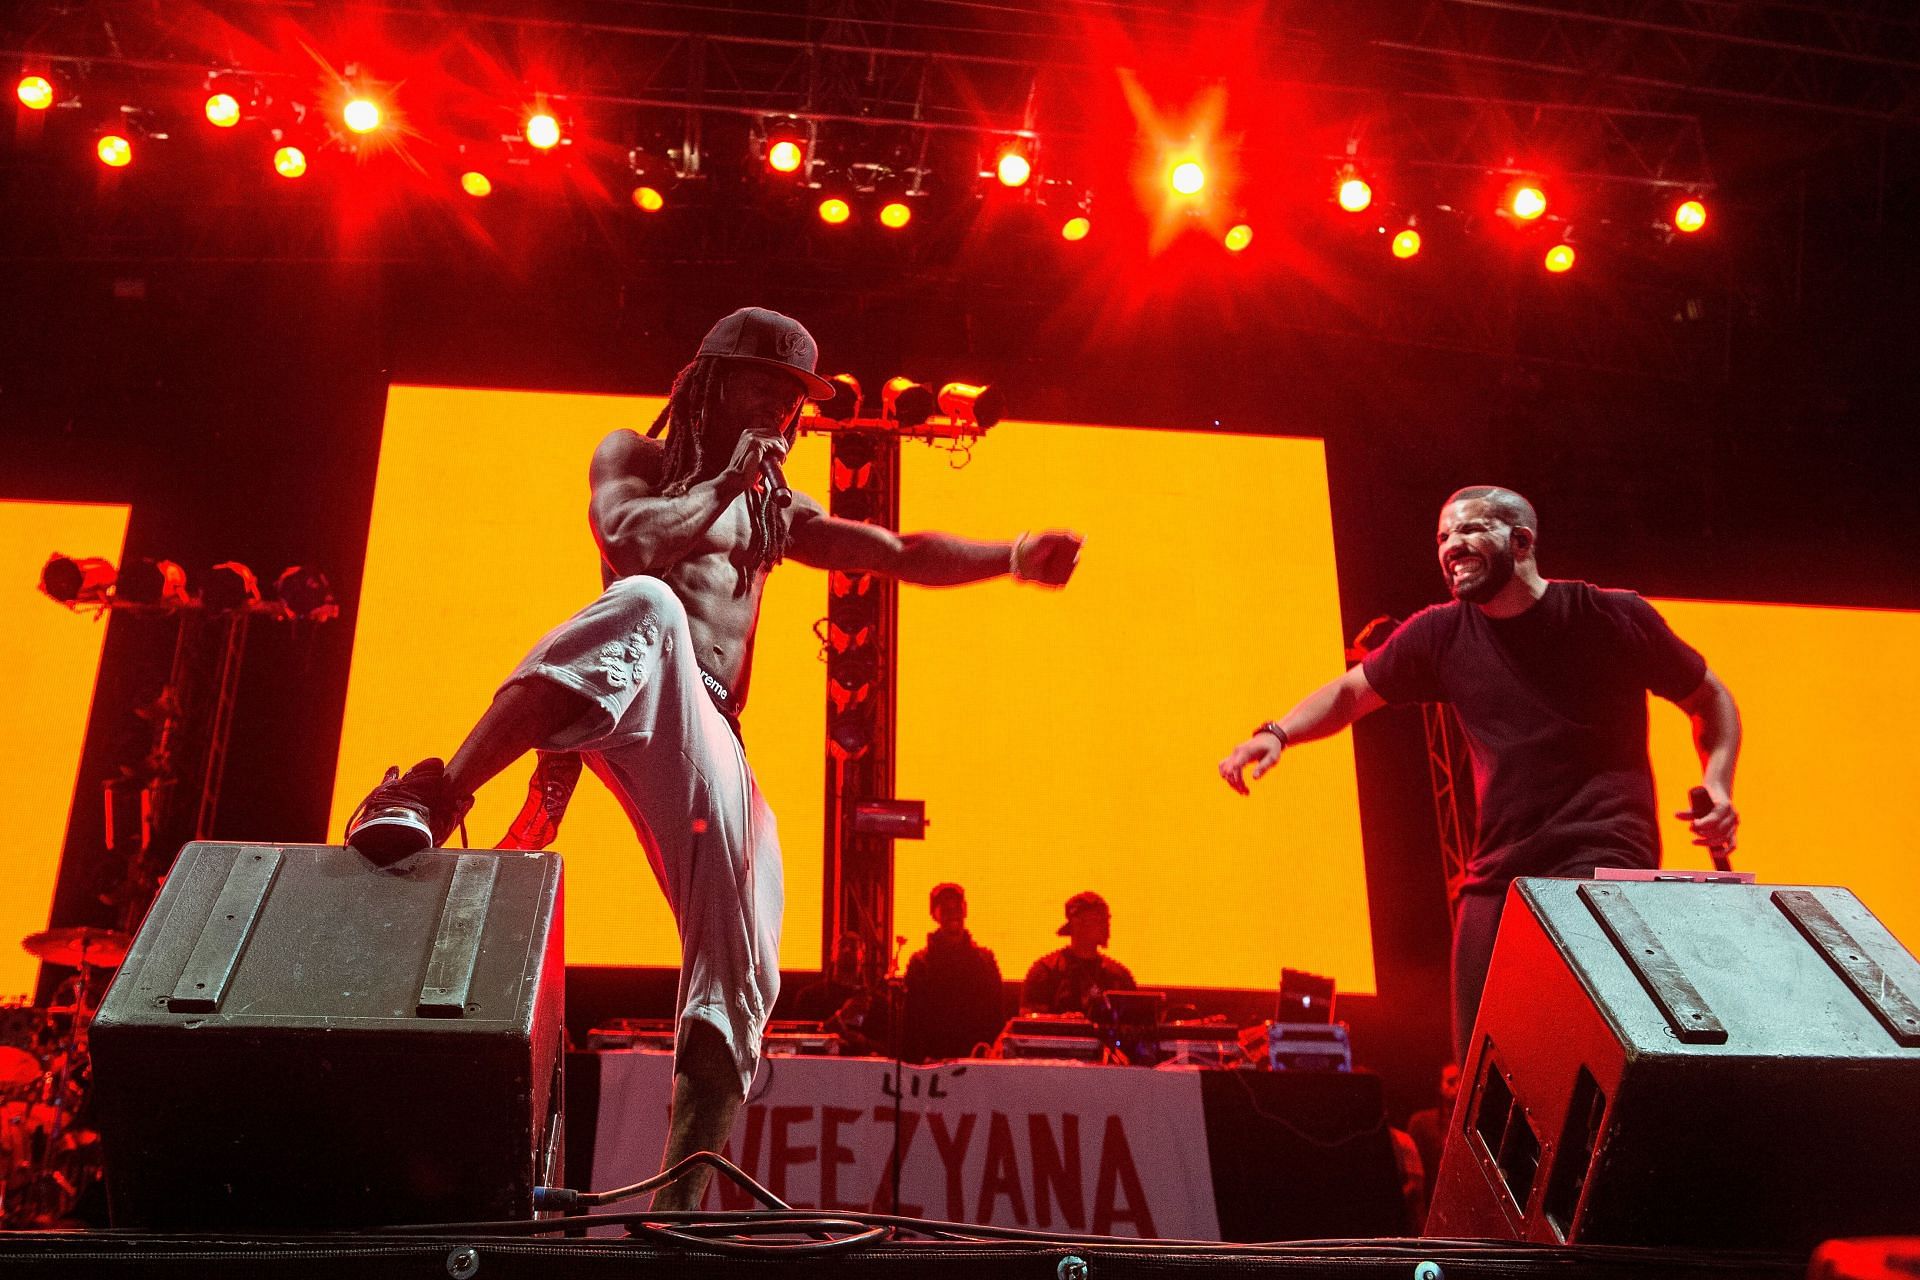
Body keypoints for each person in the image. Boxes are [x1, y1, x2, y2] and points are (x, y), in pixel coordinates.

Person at [341, 307, 1084, 1210]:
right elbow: (633, 544)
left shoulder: (775, 506)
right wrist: (729, 483)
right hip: (633, 687)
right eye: (762, 385)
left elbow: (893, 551)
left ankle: (679, 1210)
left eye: (792, 395)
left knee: (748, 965)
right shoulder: (636, 459)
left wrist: (1010, 556)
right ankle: (435, 792)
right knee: (648, 601)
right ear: (708, 383)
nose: (780, 408)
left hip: (709, 730)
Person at [1218, 485, 1740, 1062]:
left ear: (1521, 541)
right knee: (1479, 1068)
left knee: (1583, 1057)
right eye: (1443, 536)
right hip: (1497, 873)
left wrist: (1717, 781)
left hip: (1602, 860)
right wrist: (1276, 734)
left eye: (1468, 530)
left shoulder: (1608, 615)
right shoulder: (1441, 633)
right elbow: (1349, 694)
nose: (1450, 546)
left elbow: (1710, 698)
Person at [900, 883, 1004, 1061]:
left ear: (965, 910)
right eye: (945, 908)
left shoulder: (985, 961)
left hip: (977, 1065)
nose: (952, 912)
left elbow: (997, 1016)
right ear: (934, 914)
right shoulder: (920, 964)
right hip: (933, 1066)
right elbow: (911, 1022)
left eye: (957, 906)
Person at [1021, 891, 1137, 1015]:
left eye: (1106, 919)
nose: (1106, 926)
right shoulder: (1045, 972)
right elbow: (1028, 1019)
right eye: (1098, 919)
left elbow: (1137, 1021)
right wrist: (1062, 1022)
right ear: (1077, 924)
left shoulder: (1119, 976)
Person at [790, 931, 888, 1056]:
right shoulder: (809, 997)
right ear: (832, 954)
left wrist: (860, 1041)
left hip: (863, 1072)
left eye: (853, 947)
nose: (847, 950)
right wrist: (842, 1017)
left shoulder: (878, 1003)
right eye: (842, 946)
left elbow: (889, 1050)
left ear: (863, 956)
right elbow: (799, 1042)